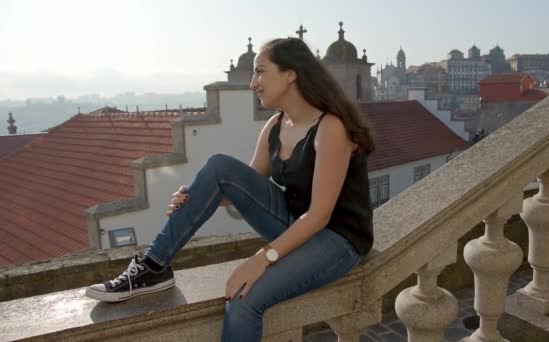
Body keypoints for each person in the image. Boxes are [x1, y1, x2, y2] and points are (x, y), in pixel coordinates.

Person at [86, 37, 375, 341]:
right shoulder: (276, 126)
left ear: (291, 74)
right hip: (293, 223)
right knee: (219, 166)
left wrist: (262, 259)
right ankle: (153, 266)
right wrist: (195, 197)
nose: (253, 83)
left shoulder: (332, 128)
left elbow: (319, 216)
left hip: (337, 239)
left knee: (243, 297)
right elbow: (241, 190)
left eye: (260, 72)